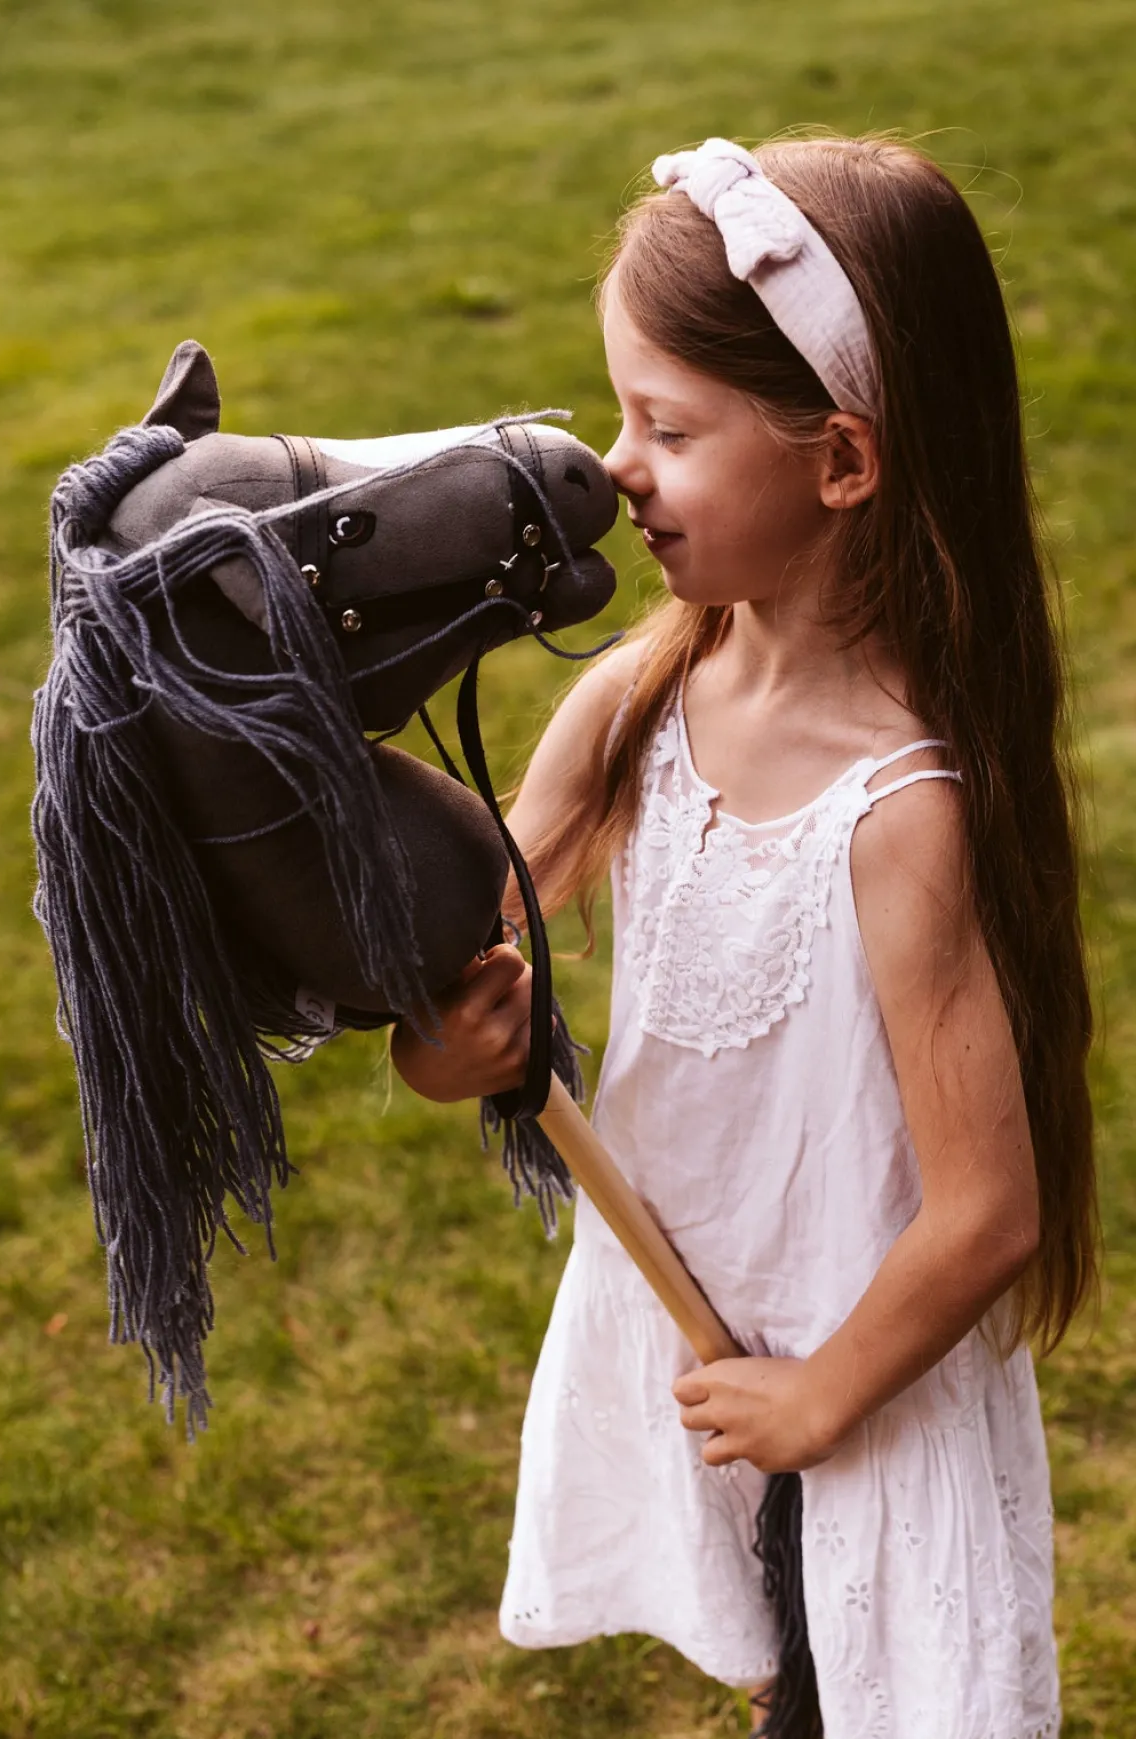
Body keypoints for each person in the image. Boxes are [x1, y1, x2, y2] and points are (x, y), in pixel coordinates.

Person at [390, 135, 1096, 1738]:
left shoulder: (900, 807)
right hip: (706, 1358)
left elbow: (989, 1208)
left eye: (670, 427)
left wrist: (822, 1397)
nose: (616, 467)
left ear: (841, 462)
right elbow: (450, 987)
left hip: (870, 1386)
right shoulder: (636, 700)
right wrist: (454, 1044)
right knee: (788, 1686)